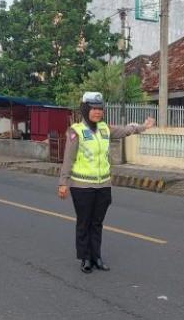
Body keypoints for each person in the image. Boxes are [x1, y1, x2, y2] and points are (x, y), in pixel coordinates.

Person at [58, 92, 155, 273]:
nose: (97, 112)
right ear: (86, 109)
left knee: (97, 223)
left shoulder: (105, 129)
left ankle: (97, 257)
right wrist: (63, 182)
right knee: (84, 223)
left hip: (103, 185)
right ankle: (85, 258)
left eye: (100, 109)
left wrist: (143, 127)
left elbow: (126, 130)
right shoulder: (76, 131)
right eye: (93, 109)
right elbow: (68, 159)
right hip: (82, 186)